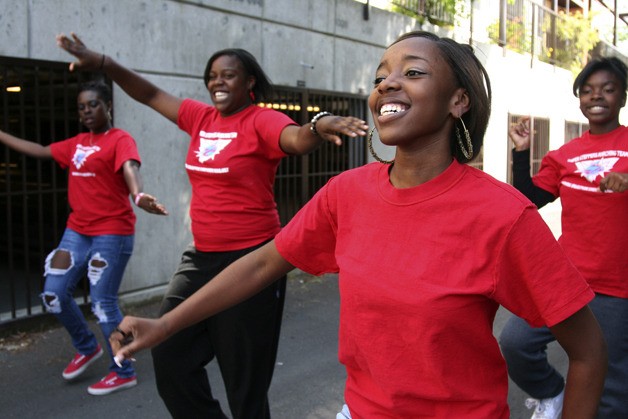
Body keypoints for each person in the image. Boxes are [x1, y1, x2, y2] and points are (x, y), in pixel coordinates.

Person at [106, 31, 608, 418]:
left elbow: (587, 353)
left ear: (459, 101)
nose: (387, 83)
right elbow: (263, 264)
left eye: (412, 73)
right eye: (380, 75)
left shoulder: (503, 215)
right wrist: (165, 324)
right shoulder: (348, 193)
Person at [56, 33, 368, 418]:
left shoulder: (261, 120)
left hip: (253, 260)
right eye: (213, 76)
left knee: (244, 382)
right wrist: (104, 61)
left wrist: (318, 126)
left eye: (229, 75)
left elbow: (295, 139)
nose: (218, 82)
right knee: (170, 359)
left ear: (249, 82)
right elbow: (150, 94)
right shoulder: (199, 117)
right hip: (200, 259)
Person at [0, 80, 168, 395]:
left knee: (103, 303)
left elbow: (130, 167)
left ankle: (123, 370)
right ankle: (87, 346)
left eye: (93, 104)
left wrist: (138, 194)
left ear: (108, 106)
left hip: (112, 231)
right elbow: (40, 150)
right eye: (82, 107)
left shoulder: (120, 139)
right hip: (77, 230)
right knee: (54, 293)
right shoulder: (77, 143)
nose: (87, 111)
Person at [499, 56, 628, 419]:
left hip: (617, 287)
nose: (596, 96)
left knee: (611, 382)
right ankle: (553, 395)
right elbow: (529, 199)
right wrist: (521, 153)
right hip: (565, 279)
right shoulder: (565, 155)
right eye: (587, 91)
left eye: (607, 89)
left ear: (622, 96)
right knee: (516, 344)